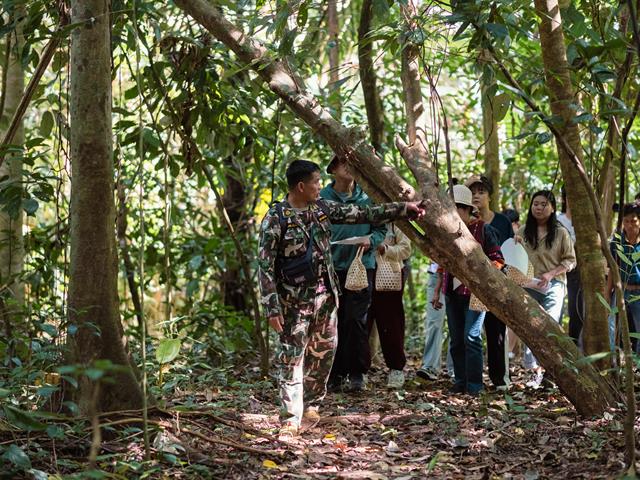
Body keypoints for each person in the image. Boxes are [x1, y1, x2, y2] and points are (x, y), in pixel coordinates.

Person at [258, 159, 425, 436]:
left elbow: (361, 214)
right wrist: (271, 307)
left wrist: (403, 210)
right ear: (301, 186)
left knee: (323, 354)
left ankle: (312, 405)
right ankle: (289, 417)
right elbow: (264, 265)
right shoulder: (276, 218)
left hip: (325, 297)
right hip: (292, 301)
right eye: (314, 182)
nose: (319, 186)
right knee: (291, 357)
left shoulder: (321, 209)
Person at [320, 155, 387, 393]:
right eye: (343, 164)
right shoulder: (322, 198)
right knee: (332, 322)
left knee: (356, 320)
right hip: (331, 269)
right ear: (333, 169)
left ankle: (357, 373)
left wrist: (372, 240)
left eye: (353, 164)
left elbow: (381, 228)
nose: (349, 168)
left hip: (362, 266)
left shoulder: (367, 198)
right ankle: (334, 373)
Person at [437, 185, 504, 396]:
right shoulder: (446, 232)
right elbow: (440, 262)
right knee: (456, 339)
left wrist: (482, 275)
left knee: (471, 337)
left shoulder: (484, 230)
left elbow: (499, 260)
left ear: (466, 209)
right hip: (452, 292)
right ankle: (460, 381)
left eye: (457, 209)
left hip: (477, 294)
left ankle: (475, 385)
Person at [516, 190, 576, 387]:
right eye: (536, 204)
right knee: (530, 327)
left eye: (544, 204)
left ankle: (550, 372)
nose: (539, 208)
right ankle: (534, 372)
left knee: (550, 326)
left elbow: (570, 260)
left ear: (552, 208)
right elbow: (513, 258)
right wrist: (514, 243)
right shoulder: (523, 231)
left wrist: (551, 273)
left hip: (554, 286)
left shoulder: (561, 233)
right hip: (529, 286)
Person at [465, 175, 513, 389]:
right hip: (468, 284)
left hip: (497, 283)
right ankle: (469, 379)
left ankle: (499, 379)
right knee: (469, 334)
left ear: (490, 196)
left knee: (496, 332)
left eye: (481, 192)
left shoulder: (502, 221)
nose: (476, 196)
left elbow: (509, 251)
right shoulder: (462, 219)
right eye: (472, 192)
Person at [366, 224, 411, 388]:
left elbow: (406, 249)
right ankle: (359, 371)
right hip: (362, 273)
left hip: (389, 277)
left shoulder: (395, 223)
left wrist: (385, 249)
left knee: (391, 324)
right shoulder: (362, 215)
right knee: (361, 322)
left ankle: (396, 369)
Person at [606, 202, 640, 352]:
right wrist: (607, 293)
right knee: (612, 328)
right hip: (621, 290)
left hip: (639, 293)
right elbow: (613, 269)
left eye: (633, 221)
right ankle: (612, 362)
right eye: (626, 221)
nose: (629, 225)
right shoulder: (617, 241)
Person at [416, 262, 454, 381]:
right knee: (434, 322)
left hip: (457, 275)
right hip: (435, 274)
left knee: (457, 323)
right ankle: (430, 366)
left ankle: (455, 369)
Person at [557, 187, 584, 346]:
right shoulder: (557, 221)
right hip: (558, 270)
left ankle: (575, 351)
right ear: (564, 199)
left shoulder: (586, 223)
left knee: (577, 313)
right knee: (556, 314)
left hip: (578, 273)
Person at [502, 207, 522, 358]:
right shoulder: (499, 235)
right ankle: (506, 350)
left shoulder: (520, 238)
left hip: (516, 283)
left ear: (517, 224)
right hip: (501, 281)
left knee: (514, 318)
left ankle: (509, 350)